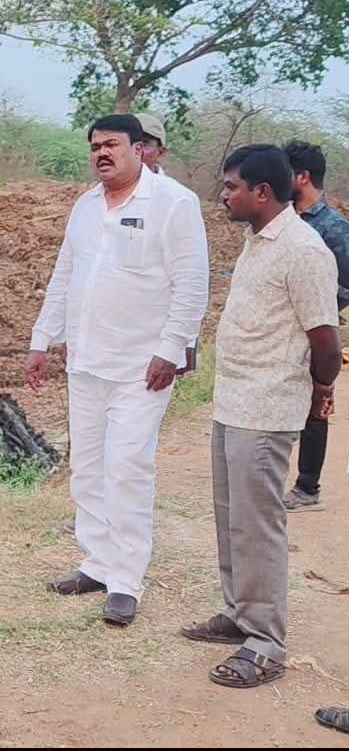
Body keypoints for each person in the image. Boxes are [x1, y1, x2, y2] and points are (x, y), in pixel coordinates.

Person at [27, 113, 209, 626]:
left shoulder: (173, 202)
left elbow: (192, 285)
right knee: (87, 467)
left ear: (139, 148)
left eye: (111, 145)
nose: (101, 154)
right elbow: (65, 274)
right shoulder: (85, 206)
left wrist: (170, 350)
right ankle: (97, 563)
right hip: (85, 363)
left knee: (127, 467)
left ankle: (126, 581)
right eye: (94, 147)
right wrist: (43, 339)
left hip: (141, 367)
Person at [180, 144, 341, 689]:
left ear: (262, 193)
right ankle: (240, 614)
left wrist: (318, 390)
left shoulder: (304, 251)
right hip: (233, 402)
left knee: (259, 525)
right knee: (232, 520)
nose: (224, 196)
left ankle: (267, 642)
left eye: (231, 187)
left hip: (268, 408)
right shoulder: (258, 241)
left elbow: (325, 342)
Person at [282, 140, 349, 512]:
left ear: (303, 177)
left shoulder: (333, 227)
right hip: (286, 334)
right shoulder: (286, 220)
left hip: (317, 333)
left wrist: (318, 309)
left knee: (315, 407)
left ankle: (308, 487)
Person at [136, 112, 199, 376]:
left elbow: (190, 278)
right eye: (129, 143)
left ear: (161, 152)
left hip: (154, 342)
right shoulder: (99, 199)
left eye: (145, 145)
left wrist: (183, 345)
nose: (137, 152)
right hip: (110, 344)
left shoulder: (178, 201)